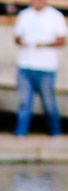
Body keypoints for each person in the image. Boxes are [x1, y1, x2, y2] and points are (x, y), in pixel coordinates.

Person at [15, 0, 68, 137]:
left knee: (49, 104)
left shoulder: (55, 16)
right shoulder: (24, 15)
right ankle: (21, 133)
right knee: (24, 103)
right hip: (25, 66)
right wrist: (22, 41)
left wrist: (43, 45)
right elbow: (16, 37)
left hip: (46, 67)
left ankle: (55, 133)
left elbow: (62, 40)